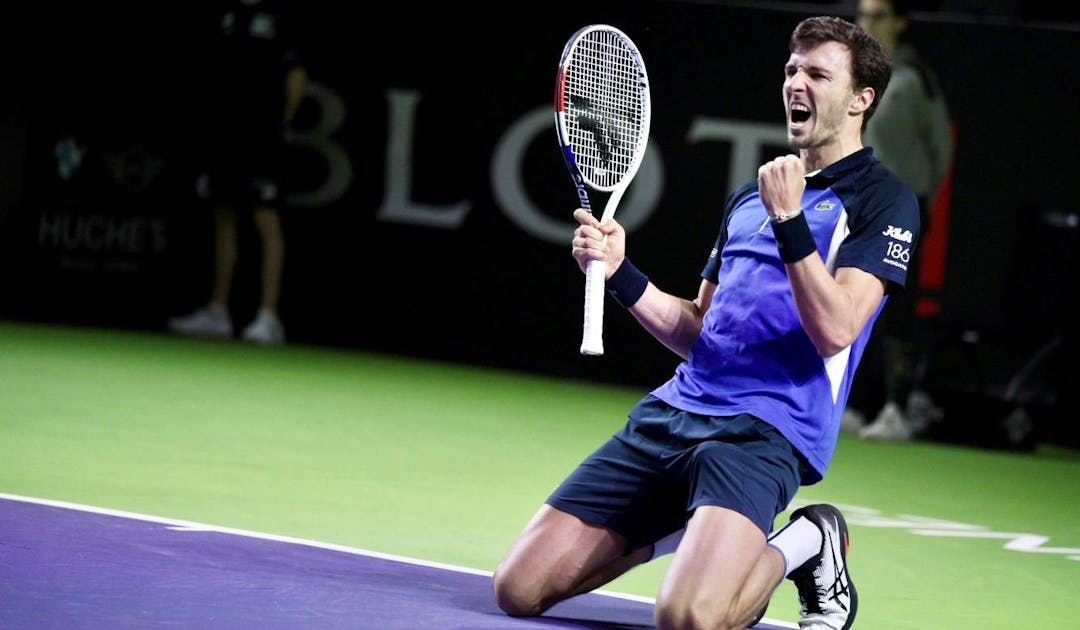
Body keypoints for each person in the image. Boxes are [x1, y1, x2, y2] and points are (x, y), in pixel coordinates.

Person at [493, 15, 920, 630]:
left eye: (818, 74)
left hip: (765, 431)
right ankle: (686, 533)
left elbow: (838, 329)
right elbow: (699, 329)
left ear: (861, 99)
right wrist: (621, 272)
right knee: (518, 590)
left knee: (689, 620)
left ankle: (806, 542)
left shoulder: (881, 200)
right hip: (676, 413)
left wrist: (791, 222)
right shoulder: (750, 197)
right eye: (791, 70)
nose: (797, 83)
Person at [168, 0, 307, 346]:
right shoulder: (224, 13)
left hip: (264, 139)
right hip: (224, 137)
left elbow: (296, 76)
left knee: (267, 221)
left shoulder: (281, 16)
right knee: (224, 217)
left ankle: (268, 317)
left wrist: (281, 123)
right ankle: (218, 313)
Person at [846, 0, 955, 440]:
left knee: (896, 310)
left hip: (903, 210)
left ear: (900, 21)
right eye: (862, 14)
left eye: (876, 15)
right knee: (852, 304)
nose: (866, 23)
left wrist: (913, 199)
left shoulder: (914, 79)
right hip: (858, 207)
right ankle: (852, 405)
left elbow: (940, 149)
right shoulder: (853, 75)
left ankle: (897, 409)